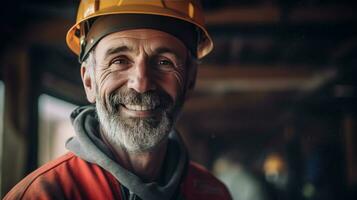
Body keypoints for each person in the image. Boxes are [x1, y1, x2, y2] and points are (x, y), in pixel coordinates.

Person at [4, 0, 232, 199]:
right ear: (89, 82)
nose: (142, 84)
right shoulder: (44, 195)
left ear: (190, 81)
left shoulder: (212, 194)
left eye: (164, 62)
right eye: (119, 61)